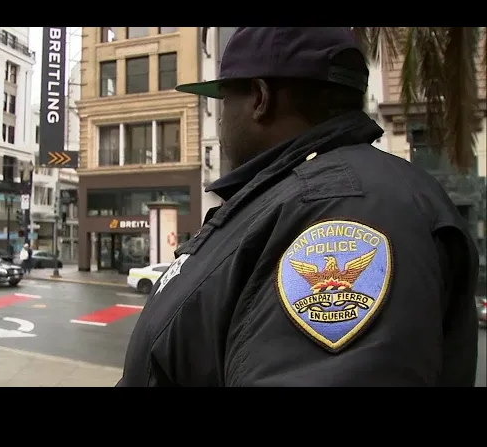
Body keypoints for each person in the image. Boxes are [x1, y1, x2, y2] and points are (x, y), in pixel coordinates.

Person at [116, 27, 479, 387]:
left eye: (225, 100)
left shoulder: (339, 206)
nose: (222, 118)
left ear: (260, 98)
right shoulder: (288, 198)